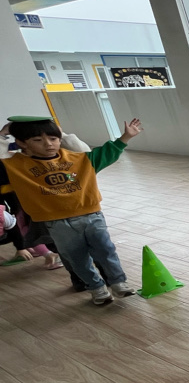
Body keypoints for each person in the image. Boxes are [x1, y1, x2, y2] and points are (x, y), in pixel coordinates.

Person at [0, 115, 143, 305]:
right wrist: (3, 135)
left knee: (106, 250)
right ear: (21, 143)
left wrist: (125, 137)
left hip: (92, 216)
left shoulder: (79, 158)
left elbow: (104, 152)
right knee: (77, 259)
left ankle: (118, 283)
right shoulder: (15, 166)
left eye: (53, 138)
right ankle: (96, 288)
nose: (48, 144)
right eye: (37, 140)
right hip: (57, 223)